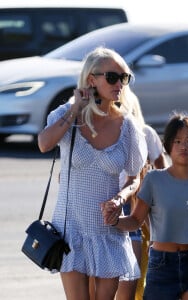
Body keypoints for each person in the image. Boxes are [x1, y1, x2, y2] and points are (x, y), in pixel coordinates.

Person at [38, 47, 147, 300]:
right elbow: (44, 144)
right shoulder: (67, 115)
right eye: (112, 77)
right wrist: (75, 108)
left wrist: (120, 199)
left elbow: (134, 177)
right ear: (91, 80)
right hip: (70, 231)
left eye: (124, 78)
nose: (119, 83)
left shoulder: (127, 126)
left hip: (107, 231)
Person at [102, 113, 188, 300]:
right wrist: (114, 220)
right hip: (162, 267)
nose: (184, 146)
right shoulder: (154, 180)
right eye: (178, 141)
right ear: (168, 146)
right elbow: (135, 221)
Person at [115, 89, 167, 300]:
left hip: (137, 203)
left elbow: (162, 169)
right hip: (114, 200)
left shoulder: (145, 132)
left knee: (134, 270)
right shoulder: (104, 132)